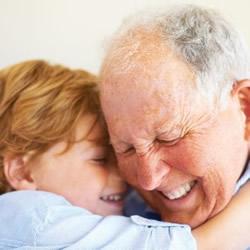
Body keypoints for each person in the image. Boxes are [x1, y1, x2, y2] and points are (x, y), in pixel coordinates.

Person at [0, 60, 249, 250]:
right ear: (22, 171)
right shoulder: (24, 216)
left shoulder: (109, 208)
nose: (121, 172)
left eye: (120, 152)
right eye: (98, 158)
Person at [100, 4, 250, 249]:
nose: (148, 180)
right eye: (125, 148)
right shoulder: (106, 210)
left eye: (169, 138)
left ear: (244, 110)